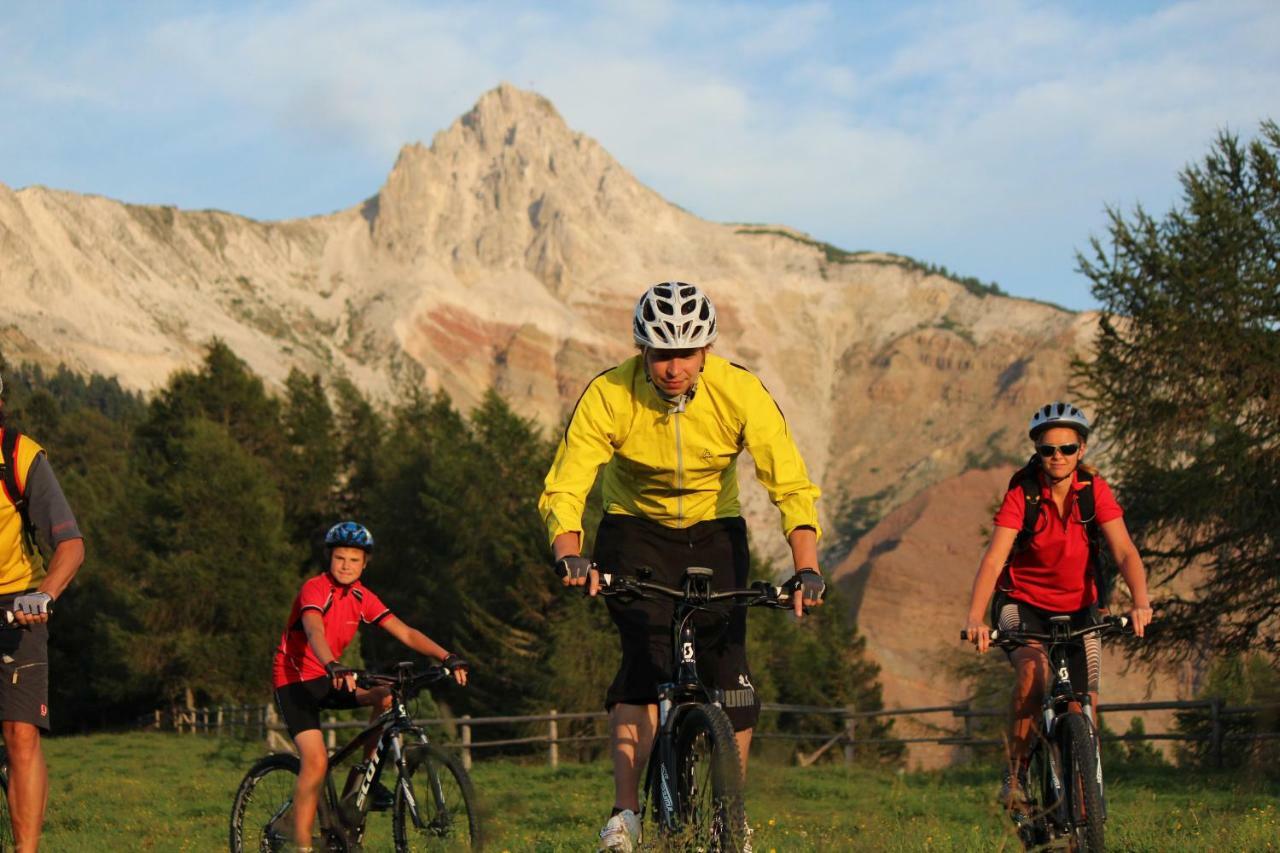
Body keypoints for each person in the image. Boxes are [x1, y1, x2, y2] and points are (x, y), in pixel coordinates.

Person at [538, 281, 827, 852]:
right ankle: (626, 815)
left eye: (687, 354)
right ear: (641, 350)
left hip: (714, 532)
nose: (674, 368)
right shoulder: (610, 393)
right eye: (661, 354)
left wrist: (807, 567)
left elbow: (788, 481)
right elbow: (567, 485)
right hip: (634, 530)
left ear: (706, 351)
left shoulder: (740, 391)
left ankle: (731, 814)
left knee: (733, 678)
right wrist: (571, 554)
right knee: (646, 663)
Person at [963, 402, 1153, 805]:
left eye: (1067, 449)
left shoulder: (1094, 491)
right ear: (1037, 451)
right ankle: (1015, 777)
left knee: (1087, 703)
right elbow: (995, 558)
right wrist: (976, 618)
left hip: (1082, 607)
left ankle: (1085, 807)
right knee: (1033, 675)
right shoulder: (1023, 493)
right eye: (1048, 450)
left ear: (1081, 449)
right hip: (1023, 603)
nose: (1057, 457)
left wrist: (1141, 601)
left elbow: (1124, 551)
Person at [272, 521, 468, 852]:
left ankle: (363, 780)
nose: (346, 565)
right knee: (317, 760)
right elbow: (314, 630)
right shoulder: (315, 589)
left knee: (387, 696)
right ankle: (302, 845)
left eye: (353, 559)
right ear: (329, 559)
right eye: (339, 558)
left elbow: (405, 632)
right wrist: (332, 663)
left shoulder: (362, 597)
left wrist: (447, 656)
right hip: (296, 681)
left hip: (333, 675)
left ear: (365, 563)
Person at [0, 372, 86, 853]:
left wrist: (45, 595)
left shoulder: (20, 456)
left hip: (16, 602)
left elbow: (70, 546)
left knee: (20, 733)